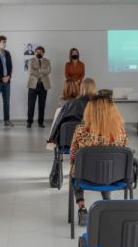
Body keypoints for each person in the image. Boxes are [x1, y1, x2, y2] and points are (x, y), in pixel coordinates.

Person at [70, 94, 128, 226]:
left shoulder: (80, 131)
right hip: (114, 177)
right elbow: (122, 151)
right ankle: (107, 204)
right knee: (107, 164)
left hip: (85, 176)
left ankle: (82, 207)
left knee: (76, 167)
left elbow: (73, 155)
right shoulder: (120, 132)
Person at [48, 78, 97, 144]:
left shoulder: (70, 104)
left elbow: (58, 122)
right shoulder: (100, 105)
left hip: (67, 142)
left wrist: (52, 138)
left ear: (81, 89)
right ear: (94, 89)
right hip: (93, 142)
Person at [27, 46, 52, 128]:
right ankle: (29, 122)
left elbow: (48, 71)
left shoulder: (47, 61)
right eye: (37, 52)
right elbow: (31, 71)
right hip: (33, 85)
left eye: (40, 52)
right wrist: (41, 74)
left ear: (43, 53)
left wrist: (38, 71)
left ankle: (40, 122)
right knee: (31, 105)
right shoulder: (31, 60)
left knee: (42, 105)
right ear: (35, 52)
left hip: (43, 86)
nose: (39, 53)